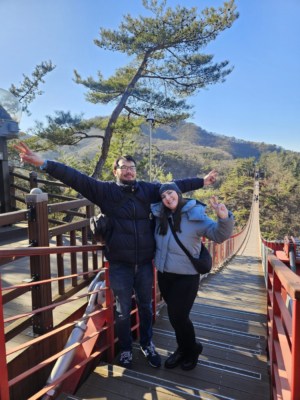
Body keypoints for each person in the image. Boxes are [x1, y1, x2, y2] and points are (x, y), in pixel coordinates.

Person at [15, 142, 218, 370]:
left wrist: (202, 181)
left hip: (144, 264)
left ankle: (147, 344)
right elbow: (75, 178)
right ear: (116, 171)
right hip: (120, 263)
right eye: (124, 167)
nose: (129, 170)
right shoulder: (105, 192)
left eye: (132, 167)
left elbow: (174, 186)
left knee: (146, 307)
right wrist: (43, 163)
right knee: (122, 311)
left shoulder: (147, 190)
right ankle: (124, 350)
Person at [151, 182, 234, 371]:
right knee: (175, 318)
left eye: (170, 193)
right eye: (163, 197)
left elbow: (219, 235)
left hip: (186, 277)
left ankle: (192, 349)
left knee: (178, 316)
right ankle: (184, 349)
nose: (167, 198)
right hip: (165, 275)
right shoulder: (159, 217)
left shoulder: (194, 215)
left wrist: (224, 218)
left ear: (178, 194)